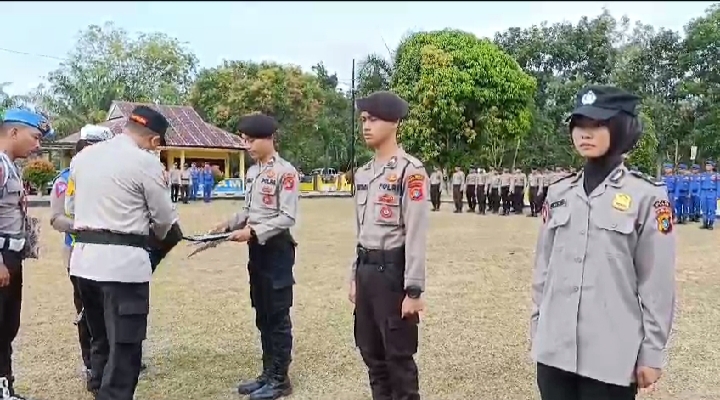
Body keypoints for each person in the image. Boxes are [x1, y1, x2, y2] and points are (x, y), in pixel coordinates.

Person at [531, 85, 676, 400]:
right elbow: (543, 270)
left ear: (621, 127)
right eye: (580, 125)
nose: (585, 133)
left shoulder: (647, 196)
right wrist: (538, 328)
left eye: (598, 124)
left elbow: (657, 284)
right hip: (554, 351)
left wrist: (652, 353)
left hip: (611, 356)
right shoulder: (559, 193)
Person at [68, 106, 181, 400]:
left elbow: (70, 209)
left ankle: (97, 388)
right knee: (125, 347)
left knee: (100, 339)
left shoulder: (83, 157)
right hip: (122, 268)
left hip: (83, 262)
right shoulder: (145, 162)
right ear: (155, 141)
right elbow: (165, 219)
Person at [209, 113, 299, 400]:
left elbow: (286, 217)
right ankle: (267, 372)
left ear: (268, 138)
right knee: (262, 312)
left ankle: (280, 379)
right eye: (243, 140)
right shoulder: (253, 172)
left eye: (250, 140)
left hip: (276, 250)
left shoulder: (286, 172)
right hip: (257, 250)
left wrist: (253, 232)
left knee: (277, 315)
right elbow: (250, 210)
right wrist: (230, 222)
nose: (246, 145)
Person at [348, 91, 427, 400]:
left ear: (394, 123)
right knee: (372, 355)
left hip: (393, 272)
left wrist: (414, 291)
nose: (366, 126)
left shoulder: (411, 171)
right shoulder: (364, 173)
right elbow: (359, 230)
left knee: (398, 358)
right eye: (364, 120)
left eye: (374, 119)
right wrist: (354, 275)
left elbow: (417, 233)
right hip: (367, 272)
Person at [49, 124, 113, 389]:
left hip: (113, 253)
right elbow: (56, 218)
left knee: (116, 307)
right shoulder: (66, 178)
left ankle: (116, 358)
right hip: (80, 252)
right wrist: (83, 226)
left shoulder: (113, 177)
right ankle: (91, 364)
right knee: (88, 311)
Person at [0, 109, 53, 399]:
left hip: (13, 256)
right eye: (35, 137)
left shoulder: (10, 165)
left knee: (6, 328)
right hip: (2, 256)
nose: (37, 145)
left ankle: (4, 388)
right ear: (13, 132)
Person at [699, 160, 719, 230]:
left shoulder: (716, 175)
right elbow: (700, 185)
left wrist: (718, 195)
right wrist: (699, 194)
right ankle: (704, 223)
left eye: (709, 165)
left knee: (712, 209)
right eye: (707, 165)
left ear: (712, 167)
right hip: (703, 193)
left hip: (712, 192)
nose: (707, 167)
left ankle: (710, 224)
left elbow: (718, 185)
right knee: (704, 209)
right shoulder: (702, 175)